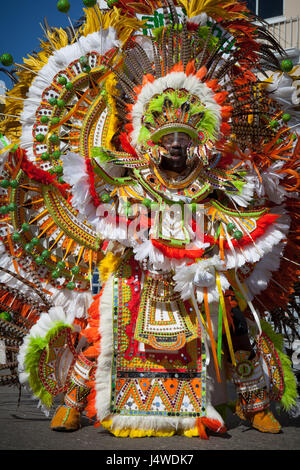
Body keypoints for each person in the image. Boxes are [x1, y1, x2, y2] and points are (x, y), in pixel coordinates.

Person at [0, 0, 298, 440]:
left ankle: (256, 404)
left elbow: (246, 205)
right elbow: (98, 187)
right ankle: (72, 403)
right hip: (140, 274)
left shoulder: (215, 179)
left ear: (200, 141)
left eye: (185, 137)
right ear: (148, 140)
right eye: (166, 136)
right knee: (102, 318)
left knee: (230, 316)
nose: (175, 146)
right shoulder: (131, 175)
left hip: (197, 270)